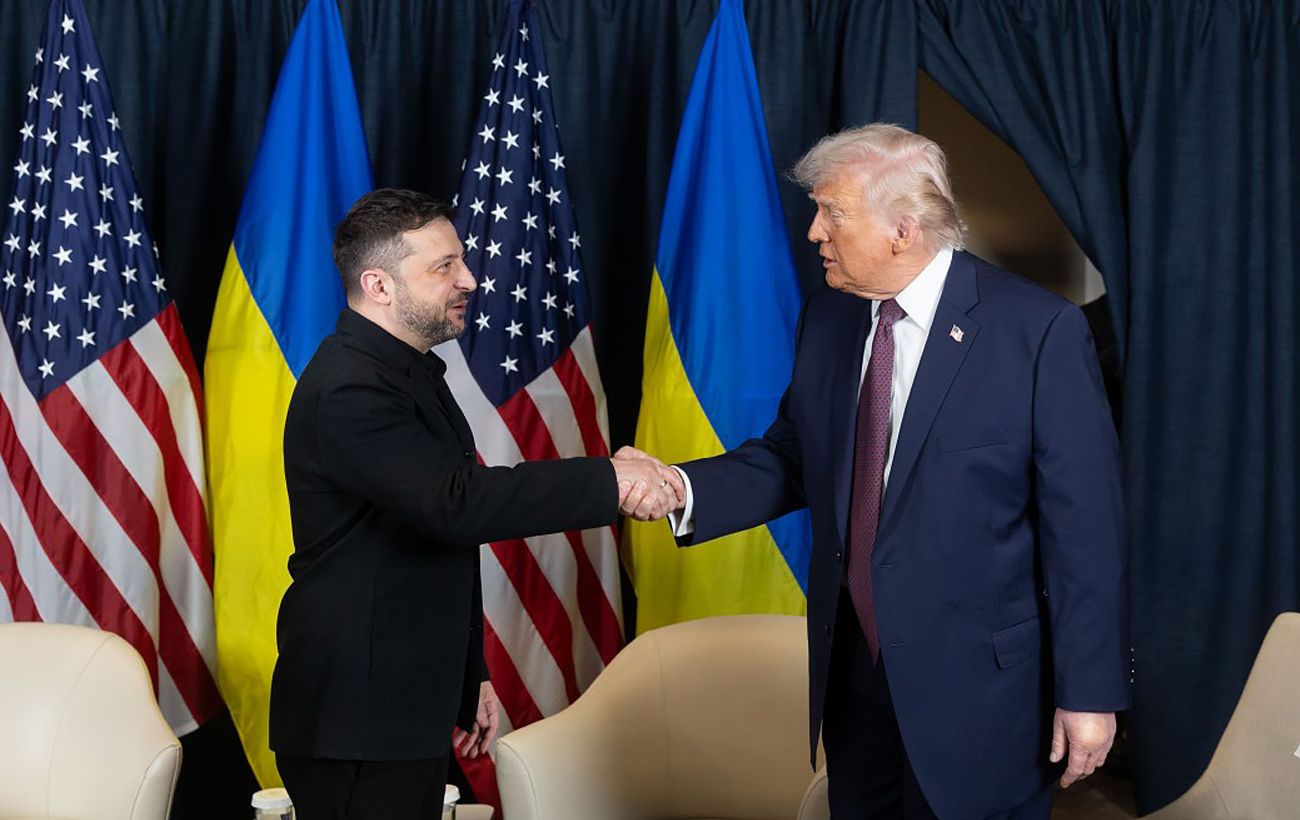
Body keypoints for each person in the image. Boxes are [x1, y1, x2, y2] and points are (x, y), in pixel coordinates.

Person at [620, 124, 1129, 819]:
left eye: (832, 212)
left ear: (902, 230)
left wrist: (1090, 693)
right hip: (856, 682)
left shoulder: (1037, 332)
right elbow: (795, 456)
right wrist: (681, 488)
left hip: (982, 697)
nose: (814, 232)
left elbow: (1086, 532)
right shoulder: (828, 318)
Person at [269, 188, 680, 819]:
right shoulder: (350, 387)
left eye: (460, 260)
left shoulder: (405, 371)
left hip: (397, 703)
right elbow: (456, 504)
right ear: (378, 286)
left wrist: (470, 676)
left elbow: (428, 544)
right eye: (444, 267)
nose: (468, 279)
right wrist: (610, 481)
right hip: (357, 716)